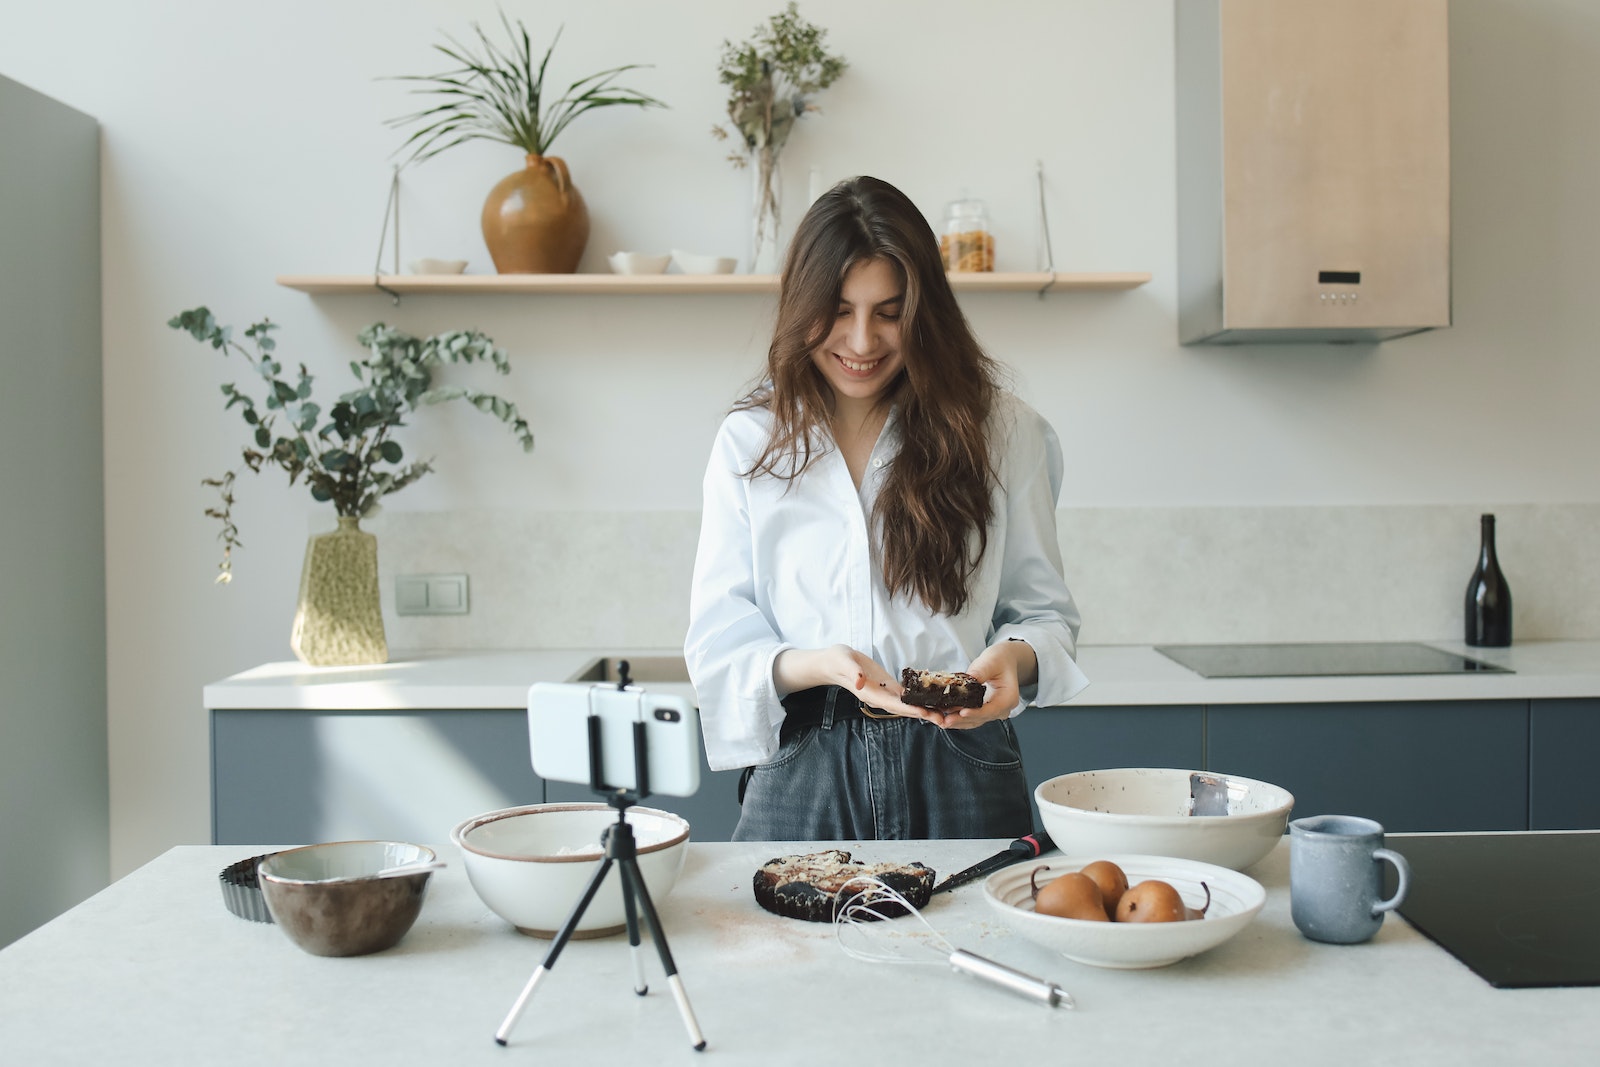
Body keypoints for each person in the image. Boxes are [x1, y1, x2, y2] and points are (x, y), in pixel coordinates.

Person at [683, 175, 1089, 841]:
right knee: (783, 948)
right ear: (801, 305)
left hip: (960, 760)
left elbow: (1044, 616)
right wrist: (823, 665)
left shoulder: (1004, 432)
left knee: (975, 944)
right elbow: (719, 638)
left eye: (890, 311)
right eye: (839, 310)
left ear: (925, 311)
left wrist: (1013, 661)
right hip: (802, 762)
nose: (863, 341)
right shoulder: (750, 442)